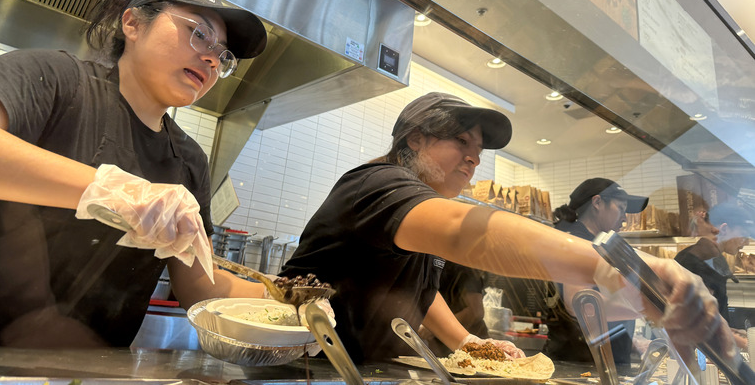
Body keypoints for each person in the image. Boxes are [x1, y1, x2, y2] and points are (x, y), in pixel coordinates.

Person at [279, 92, 733, 364]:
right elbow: (465, 230)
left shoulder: (412, 211)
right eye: (461, 141)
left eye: (479, 148)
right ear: (414, 139)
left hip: (355, 366)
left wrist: (467, 341)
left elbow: (419, 287)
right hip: (299, 366)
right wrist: (620, 269)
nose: (475, 156)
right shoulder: (377, 184)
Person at [0, 0, 270, 347]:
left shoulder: (189, 160)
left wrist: (285, 302)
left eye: (223, 55)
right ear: (132, 23)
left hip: (96, 369)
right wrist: (114, 191)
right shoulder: (56, 80)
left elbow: (196, 282)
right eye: (199, 33)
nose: (212, 58)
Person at [543, 178, 648, 365]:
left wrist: (630, 343)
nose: (625, 218)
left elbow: (603, 319)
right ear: (597, 202)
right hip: (579, 366)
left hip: (598, 364)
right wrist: (649, 308)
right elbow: (582, 303)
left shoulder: (599, 246)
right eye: (621, 209)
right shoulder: (577, 243)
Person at [675, 202, 754, 348]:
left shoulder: (712, 259)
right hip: (698, 353)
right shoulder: (696, 262)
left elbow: (712, 312)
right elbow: (696, 321)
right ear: (724, 229)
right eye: (743, 235)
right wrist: (743, 343)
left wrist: (730, 332)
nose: (746, 243)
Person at [421, 261, 489, 356]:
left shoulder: (463, 266)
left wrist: (433, 328)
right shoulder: (432, 263)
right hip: (445, 344)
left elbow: (476, 312)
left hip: (471, 344)